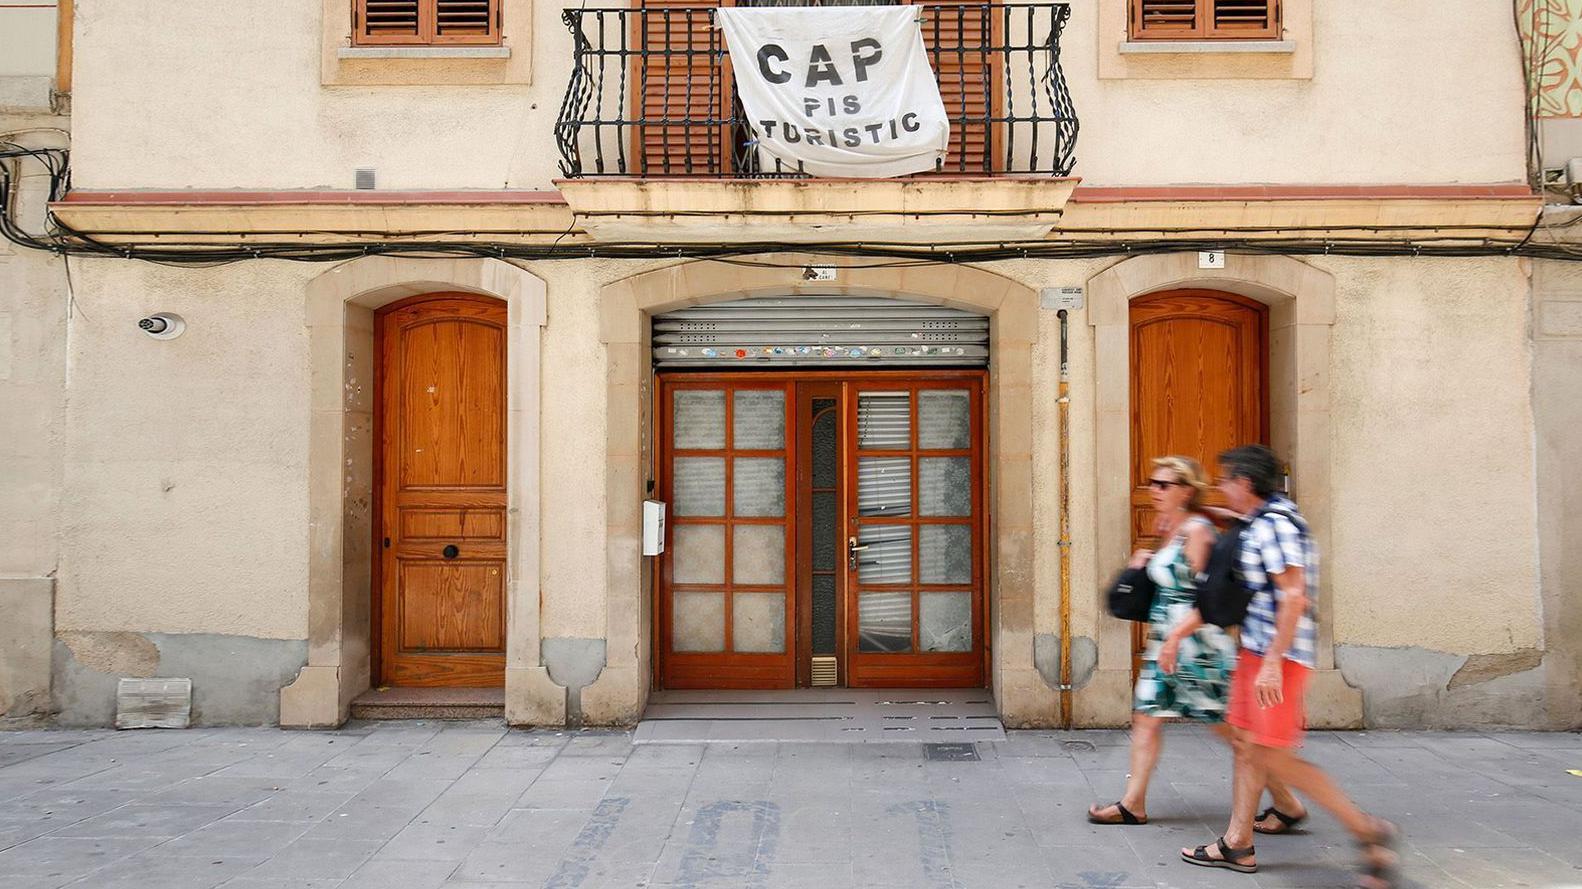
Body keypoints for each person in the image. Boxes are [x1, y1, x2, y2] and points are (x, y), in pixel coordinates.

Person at [1180, 445, 1399, 888]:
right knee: (1246, 742)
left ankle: (1367, 830)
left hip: (1276, 660)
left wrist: (1274, 663)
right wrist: (1202, 504)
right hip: (1258, 652)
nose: (1223, 487)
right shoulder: (1266, 517)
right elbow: (1240, 523)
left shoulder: (1274, 527)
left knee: (1272, 756)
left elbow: (1294, 595)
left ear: (1245, 484)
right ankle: (1237, 842)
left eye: (1226, 480)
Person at [1087, 456, 1236, 827]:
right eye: (1152, 483)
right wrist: (1145, 559)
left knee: (1230, 729)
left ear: (1185, 490)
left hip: (1196, 646)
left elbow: (1210, 596)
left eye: (1163, 485)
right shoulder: (1171, 525)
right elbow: (1172, 574)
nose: (1153, 490)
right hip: (1164, 641)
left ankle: (1286, 800)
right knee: (1146, 718)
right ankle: (1132, 803)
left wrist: (1177, 640)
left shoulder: (1199, 531)